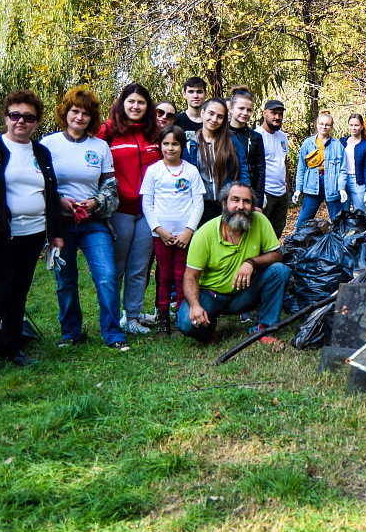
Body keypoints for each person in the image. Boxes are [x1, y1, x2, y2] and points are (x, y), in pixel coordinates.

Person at [0, 90, 64, 370]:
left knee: (19, 293)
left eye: (28, 117)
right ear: (6, 118)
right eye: (15, 115)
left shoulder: (41, 152)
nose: (21, 121)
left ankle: (14, 347)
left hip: (33, 234)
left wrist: (55, 233)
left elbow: (51, 193)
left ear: (36, 122)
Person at [39, 88, 129, 352]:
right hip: (60, 226)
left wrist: (94, 203)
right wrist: (58, 200)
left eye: (85, 114)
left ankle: (113, 333)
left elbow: (111, 188)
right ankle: (70, 332)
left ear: (92, 118)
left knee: (107, 276)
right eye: (75, 111)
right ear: (65, 112)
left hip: (93, 223)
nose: (79, 117)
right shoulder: (48, 144)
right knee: (65, 280)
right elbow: (40, 184)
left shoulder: (100, 147)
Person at [177, 181, 291, 344]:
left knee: (280, 270)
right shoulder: (205, 233)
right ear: (225, 203)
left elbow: (277, 255)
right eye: (235, 200)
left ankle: (263, 328)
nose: (241, 206)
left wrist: (251, 262)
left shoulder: (260, 221)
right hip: (211, 295)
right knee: (186, 324)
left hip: (243, 294)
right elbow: (190, 276)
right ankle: (208, 328)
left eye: (247, 201)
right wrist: (195, 306)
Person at [99, 83, 163, 334]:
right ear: (122, 103)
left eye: (141, 102)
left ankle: (133, 318)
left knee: (139, 267)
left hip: (149, 211)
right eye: (131, 101)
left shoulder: (156, 133)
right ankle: (112, 319)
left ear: (148, 106)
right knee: (116, 267)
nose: (136, 106)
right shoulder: (108, 132)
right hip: (120, 210)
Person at [141, 125, 205, 337]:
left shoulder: (191, 171)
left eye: (175, 144)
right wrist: (159, 230)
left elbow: (198, 204)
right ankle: (162, 320)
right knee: (165, 275)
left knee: (182, 275)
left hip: (184, 236)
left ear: (182, 146)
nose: (170, 148)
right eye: (166, 144)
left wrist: (189, 231)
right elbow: (147, 204)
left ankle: (180, 317)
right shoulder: (154, 171)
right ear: (160, 146)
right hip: (162, 236)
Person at [183, 97, 249, 227]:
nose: (214, 119)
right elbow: (186, 176)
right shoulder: (191, 145)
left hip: (228, 203)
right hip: (201, 205)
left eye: (220, 117)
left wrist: (244, 197)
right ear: (203, 113)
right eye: (211, 113)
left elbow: (243, 169)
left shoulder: (231, 141)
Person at [293, 112, 349, 225]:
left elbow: (342, 170)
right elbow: (301, 168)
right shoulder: (308, 144)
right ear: (317, 125)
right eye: (321, 124)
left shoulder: (337, 145)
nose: (324, 127)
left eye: (327, 125)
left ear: (331, 127)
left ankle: (338, 237)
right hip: (312, 185)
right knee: (303, 221)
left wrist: (341, 188)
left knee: (337, 222)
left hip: (332, 186)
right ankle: (298, 237)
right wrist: (298, 189)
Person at [258, 100, 290, 236]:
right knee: (261, 232)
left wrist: (287, 186)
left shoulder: (282, 136)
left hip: (281, 193)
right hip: (265, 192)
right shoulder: (257, 136)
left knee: (277, 232)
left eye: (280, 114)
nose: (277, 117)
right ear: (265, 113)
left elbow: (284, 161)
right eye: (274, 113)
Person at [228, 92, 267, 203]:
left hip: (248, 191)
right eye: (241, 108)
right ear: (231, 108)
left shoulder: (255, 137)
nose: (245, 113)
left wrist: (258, 202)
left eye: (249, 110)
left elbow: (260, 171)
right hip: (225, 191)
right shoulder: (221, 134)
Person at [343, 113, 366, 213]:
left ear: (361, 126)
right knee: (343, 214)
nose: (353, 128)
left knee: (359, 213)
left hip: (358, 182)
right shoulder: (342, 142)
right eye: (351, 125)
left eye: (356, 125)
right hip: (343, 180)